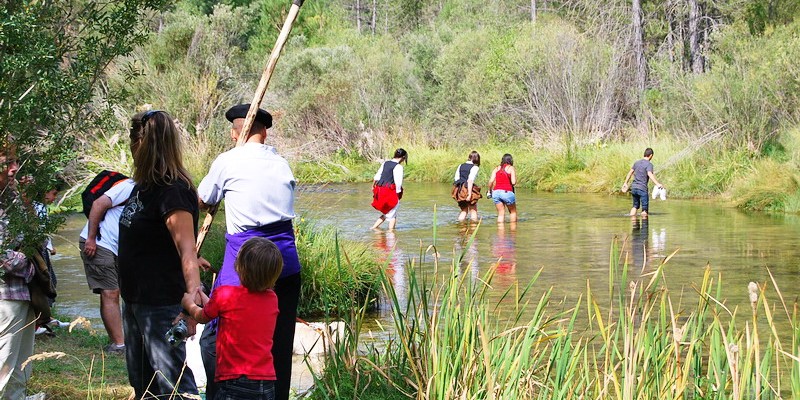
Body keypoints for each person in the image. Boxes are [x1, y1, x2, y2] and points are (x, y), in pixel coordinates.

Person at [197, 104, 302, 400]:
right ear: (265, 132)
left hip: (247, 261)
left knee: (216, 337)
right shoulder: (281, 162)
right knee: (278, 339)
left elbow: (204, 198)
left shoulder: (228, 160)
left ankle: (221, 394)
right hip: (284, 261)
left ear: (236, 133)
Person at [118, 110, 205, 398]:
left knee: (173, 383)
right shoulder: (144, 187)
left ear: (146, 145)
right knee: (143, 383)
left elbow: (186, 250)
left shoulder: (172, 191)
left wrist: (192, 303)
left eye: (135, 141)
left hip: (160, 304)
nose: (131, 148)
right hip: (134, 301)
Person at [182, 237, 282, 400]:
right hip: (265, 381)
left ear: (238, 267)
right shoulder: (272, 299)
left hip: (235, 380)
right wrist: (206, 299)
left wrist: (188, 305)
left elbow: (203, 316)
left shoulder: (225, 294)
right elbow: (225, 309)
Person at [78, 176, 134, 354]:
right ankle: (118, 345)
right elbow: (98, 205)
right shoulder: (129, 186)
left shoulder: (156, 193)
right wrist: (91, 238)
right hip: (99, 242)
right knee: (110, 292)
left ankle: (129, 340)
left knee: (128, 293)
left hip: (121, 249)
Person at [0, 140, 36, 399]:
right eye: (8, 162)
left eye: (15, 161)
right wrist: (30, 263)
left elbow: (36, 235)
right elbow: (5, 257)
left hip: (22, 292)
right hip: (5, 295)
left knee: (22, 363)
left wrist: (25, 198)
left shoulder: (9, 197)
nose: (15, 168)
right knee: (5, 361)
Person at [621, 148, 665, 218]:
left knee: (635, 206)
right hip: (642, 189)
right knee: (644, 210)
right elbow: (650, 174)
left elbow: (630, 172)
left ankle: (634, 226)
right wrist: (657, 184)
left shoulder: (637, 163)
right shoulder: (649, 164)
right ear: (651, 155)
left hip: (634, 188)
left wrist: (625, 183)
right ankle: (644, 228)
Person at [370, 148, 408, 230]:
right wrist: (398, 195)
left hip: (380, 190)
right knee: (393, 214)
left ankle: (373, 228)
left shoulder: (385, 163)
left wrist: (373, 186)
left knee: (387, 212)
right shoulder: (398, 167)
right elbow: (398, 183)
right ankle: (391, 234)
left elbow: (377, 177)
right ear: (403, 157)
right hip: (389, 192)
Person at [451, 151, 482, 222]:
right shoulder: (475, 167)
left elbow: (456, 179)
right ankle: (473, 228)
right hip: (467, 188)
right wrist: (469, 194)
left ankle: (461, 227)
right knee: (473, 210)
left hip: (459, 189)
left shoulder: (460, 165)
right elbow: (470, 180)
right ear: (477, 159)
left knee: (464, 210)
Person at [486, 153, 517, 223]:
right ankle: (513, 231)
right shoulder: (511, 168)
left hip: (496, 192)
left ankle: (500, 231)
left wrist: (489, 191)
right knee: (513, 212)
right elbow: (513, 182)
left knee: (500, 213)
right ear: (511, 160)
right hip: (507, 192)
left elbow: (491, 181)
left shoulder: (496, 168)